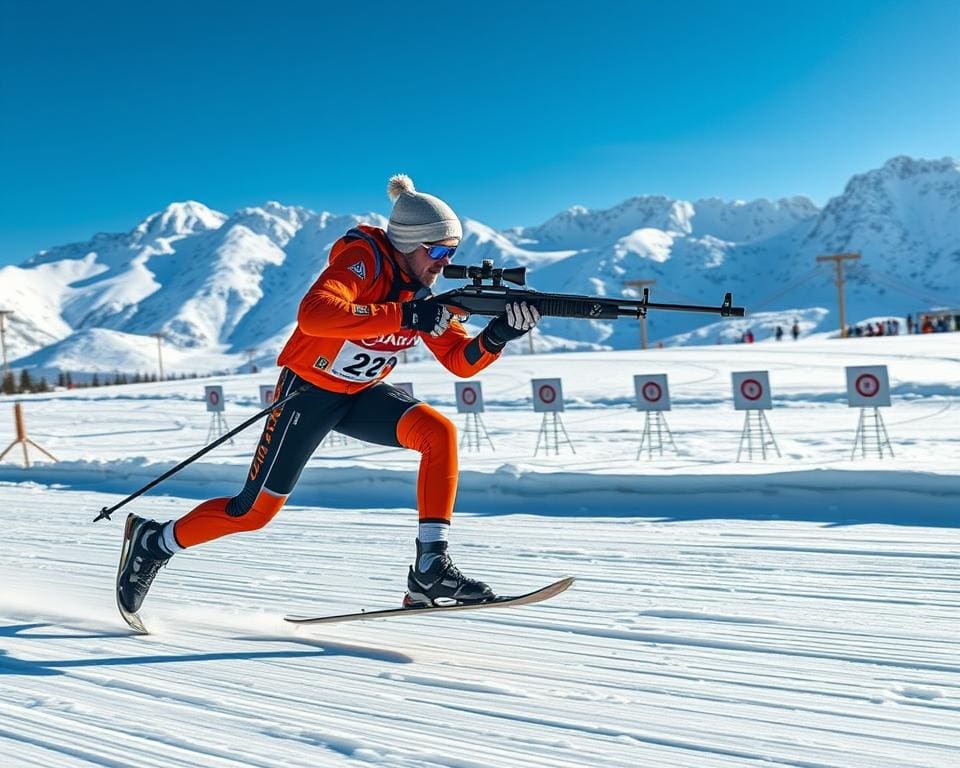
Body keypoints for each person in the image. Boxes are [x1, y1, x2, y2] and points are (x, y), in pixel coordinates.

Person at [117, 174, 541, 616]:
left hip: (361, 393)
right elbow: (314, 315)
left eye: (451, 253)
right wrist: (405, 315)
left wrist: (499, 334)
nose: (443, 262)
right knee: (253, 512)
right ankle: (155, 542)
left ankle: (429, 568)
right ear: (409, 242)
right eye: (437, 251)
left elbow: (460, 360)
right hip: (308, 394)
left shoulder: (423, 292)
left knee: (439, 432)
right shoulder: (364, 260)